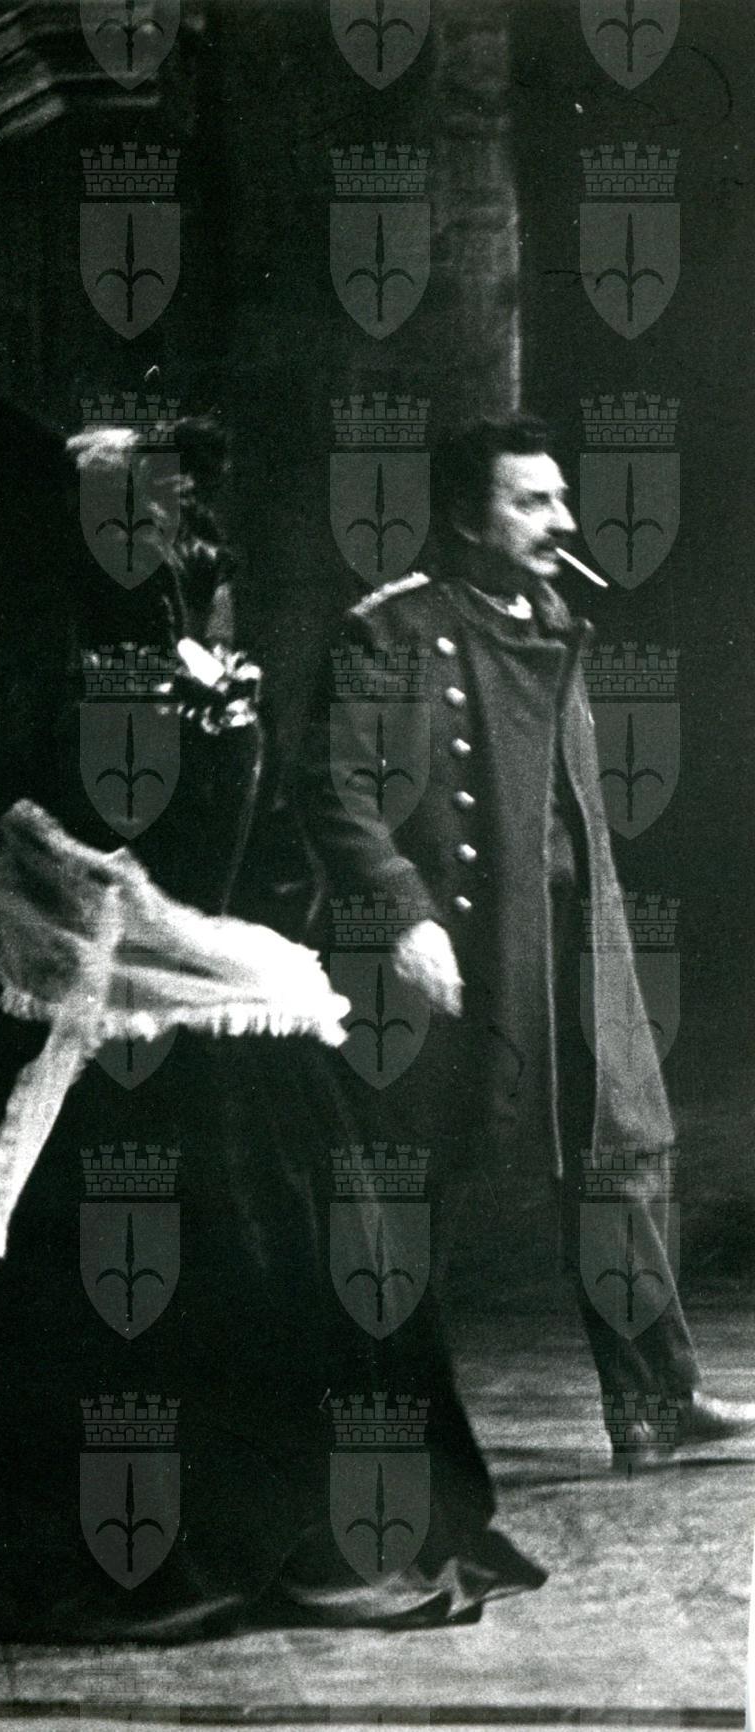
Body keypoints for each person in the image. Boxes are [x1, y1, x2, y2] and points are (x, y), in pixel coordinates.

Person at [0, 411, 547, 1641]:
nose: (162, 541)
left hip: (209, 999)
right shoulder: (103, 675)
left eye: (168, 519)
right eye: (134, 522)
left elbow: (234, 841)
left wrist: (223, 934)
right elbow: (84, 839)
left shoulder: (192, 669)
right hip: (146, 1003)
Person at [299, 412, 754, 1466]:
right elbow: (333, 788)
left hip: (574, 931)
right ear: (466, 517)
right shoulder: (389, 632)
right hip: (466, 939)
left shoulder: (551, 616)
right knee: (414, 1180)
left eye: (560, 497)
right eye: (531, 501)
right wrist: (405, 914)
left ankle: (654, 1401)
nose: (562, 519)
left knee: (620, 1150)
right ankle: (379, 1414)